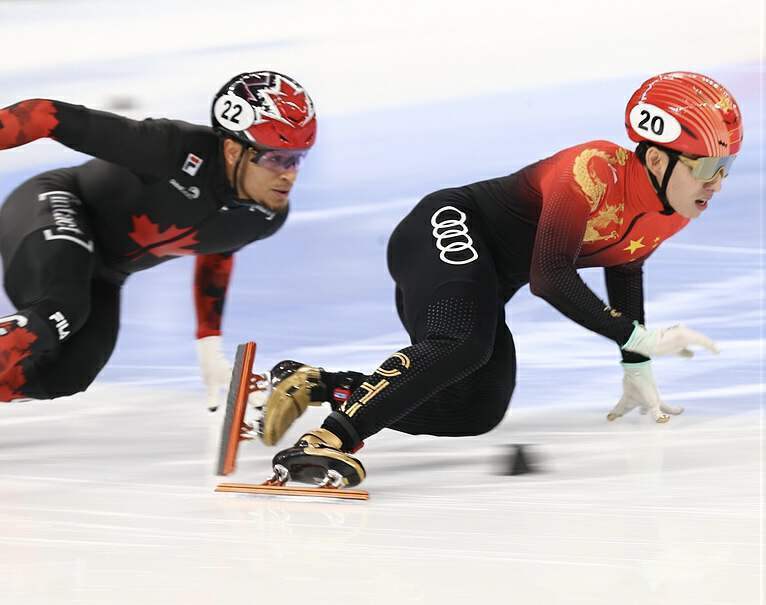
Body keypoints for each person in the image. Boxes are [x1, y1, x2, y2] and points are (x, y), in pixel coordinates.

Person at [254, 71, 742, 489]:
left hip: (483, 279)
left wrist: (635, 365)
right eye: (708, 168)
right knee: (463, 343)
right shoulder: (590, 172)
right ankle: (328, 439)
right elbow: (549, 277)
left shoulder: (675, 208)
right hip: (445, 227)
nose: (717, 183)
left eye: (727, 168)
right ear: (657, 159)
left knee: (476, 410)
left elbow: (625, 266)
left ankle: (318, 384)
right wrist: (641, 337)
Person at [0, 71, 316, 410]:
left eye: (298, 158)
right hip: (59, 203)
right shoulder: (172, 149)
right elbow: (44, 115)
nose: (289, 174)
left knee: (70, 374)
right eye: (276, 158)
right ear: (231, 149)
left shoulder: (264, 218)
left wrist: (210, 349)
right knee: (63, 309)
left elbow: (219, 249)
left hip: (106, 272)